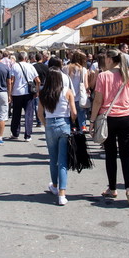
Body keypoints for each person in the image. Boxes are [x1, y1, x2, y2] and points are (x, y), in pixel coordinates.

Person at [89, 48, 129, 206]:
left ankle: (112, 188)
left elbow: (98, 101)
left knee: (110, 154)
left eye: (105, 58)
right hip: (127, 118)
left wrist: (92, 122)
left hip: (109, 118)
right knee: (126, 155)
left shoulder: (103, 76)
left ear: (110, 59)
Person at [38, 68, 77, 206]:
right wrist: (72, 122)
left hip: (50, 126)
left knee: (53, 158)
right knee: (63, 161)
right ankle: (62, 193)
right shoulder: (67, 92)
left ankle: (54, 185)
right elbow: (74, 112)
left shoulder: (43, 93)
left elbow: (40, 113)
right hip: (64, 124)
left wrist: (46, 124)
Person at [9, 51, 40, 141]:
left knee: (16, 114)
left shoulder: (14, 66)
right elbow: (38, 80)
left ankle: (15, 133)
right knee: (29, 114)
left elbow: (12, 81)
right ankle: (28, 135)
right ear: (26, 58)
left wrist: (10, 93)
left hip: (16, 93)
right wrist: (37, 91)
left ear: (18, 58)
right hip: (28, 93)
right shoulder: (31, 66)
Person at [64, 51, 90, 132]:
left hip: (67, 96)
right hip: (80, 97)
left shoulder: (65, 68)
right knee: (81, 116)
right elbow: (86, 84)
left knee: (70, 116)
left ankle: (72, 130)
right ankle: (83, 129)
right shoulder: (83, 69)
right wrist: (88, 91)